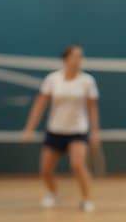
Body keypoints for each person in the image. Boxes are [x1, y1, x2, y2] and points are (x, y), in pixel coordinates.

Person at [22, 44, 101, 212]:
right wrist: (30, 127)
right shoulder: (52, 79)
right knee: (45, 170)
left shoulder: (87, 81)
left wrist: (94, 131)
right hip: (55, 130)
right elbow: (40, 104)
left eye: (81, 56)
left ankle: (86, 199)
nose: (79, 60)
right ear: (66, 59)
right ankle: (53, 193)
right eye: (75, 56)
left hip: (77, 131)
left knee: (78, 165)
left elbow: (92, 108)